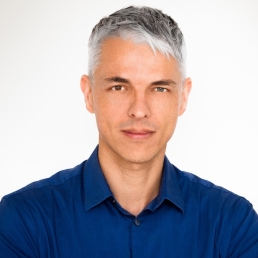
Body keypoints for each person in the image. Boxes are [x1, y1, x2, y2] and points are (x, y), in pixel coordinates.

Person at [0, 5, 257, 257]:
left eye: (159, 88)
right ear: (89, 93)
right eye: (119, 87)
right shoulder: (23, 219)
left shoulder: (232, 224)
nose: (139, 110)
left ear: (183, 97)